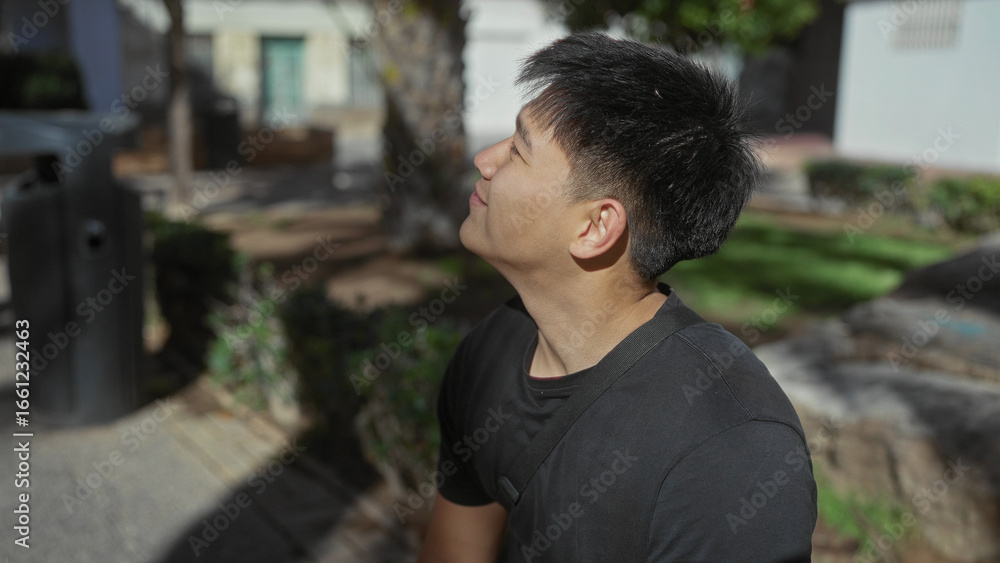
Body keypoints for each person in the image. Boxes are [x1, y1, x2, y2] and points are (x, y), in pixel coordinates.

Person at [418, 32, 817, 562]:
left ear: (595, 227)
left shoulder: (732, 451)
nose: (485, 160)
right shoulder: (493, 349)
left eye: (517, 150)